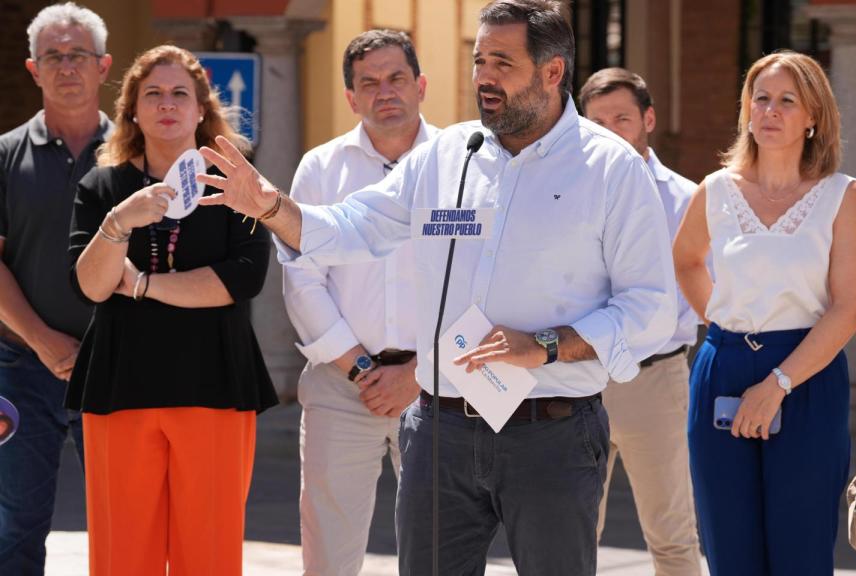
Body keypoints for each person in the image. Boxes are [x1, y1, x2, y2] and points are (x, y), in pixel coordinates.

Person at [196, 1, 677, 574]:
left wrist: (545, 344)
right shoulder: (450, 156)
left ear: (553, 72)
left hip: (551, 432)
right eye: (478, 61)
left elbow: (649, 307)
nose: (483, 78)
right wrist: (274, 208)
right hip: (439, 430)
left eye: (502, 62)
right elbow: (356, 225)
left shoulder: (611, 170)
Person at [67, 45, 278, 575]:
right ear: (132, 111)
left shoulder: (237, 182)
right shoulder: (102, 187)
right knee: (122, 555)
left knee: (208, 553)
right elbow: (90, 286)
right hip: (121, 385)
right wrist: (119, 222)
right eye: (152, 94)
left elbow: (242, 279)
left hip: (215, 384)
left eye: (180, 93)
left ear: (202, 108)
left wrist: (140, 286)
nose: (167, 104)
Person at [673, 51, 856, 575]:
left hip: (806, 372)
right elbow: (687, 260)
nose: (771, 111)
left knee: (800, 551)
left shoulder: (840, 194)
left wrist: (778, 380)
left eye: (787, 101)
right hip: (723, 370)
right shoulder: (715, 190)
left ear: (813, 117)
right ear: (746, 110)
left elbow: (850, 305)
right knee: (729, 548)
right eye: (761, 98)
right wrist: (720, 325)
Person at [282, 29, 437, 576]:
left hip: (440, 386)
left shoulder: (463, 166)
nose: (384, 91)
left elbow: (483, 282)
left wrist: (420, 373)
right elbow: (302, 278)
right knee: (329, 548)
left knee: (442, 545)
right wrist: (363, 371)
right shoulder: (320, 170)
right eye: (368, 83)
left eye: (396, 78)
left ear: (420, 85)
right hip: (342, 383)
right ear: (351, 97)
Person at [0, 4, 111, 573]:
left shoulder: (136, 156)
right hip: (20, 367)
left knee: (124, 525)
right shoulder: (2, 155)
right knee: (14, 527)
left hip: (118, 369)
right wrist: (42, 339)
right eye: (53, 57)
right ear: (33, 69)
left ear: (103, 67)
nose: (67, 67)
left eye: (78, 56)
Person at [579, 67, 701, 576]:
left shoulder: (686, 198)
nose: (611, 132)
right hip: (576, 377)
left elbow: (700, 291)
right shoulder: (563, 198)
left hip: (656, 378)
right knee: (571, 530)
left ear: (648, 119)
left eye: (622, 118)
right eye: (597, 122)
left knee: (672, 534)